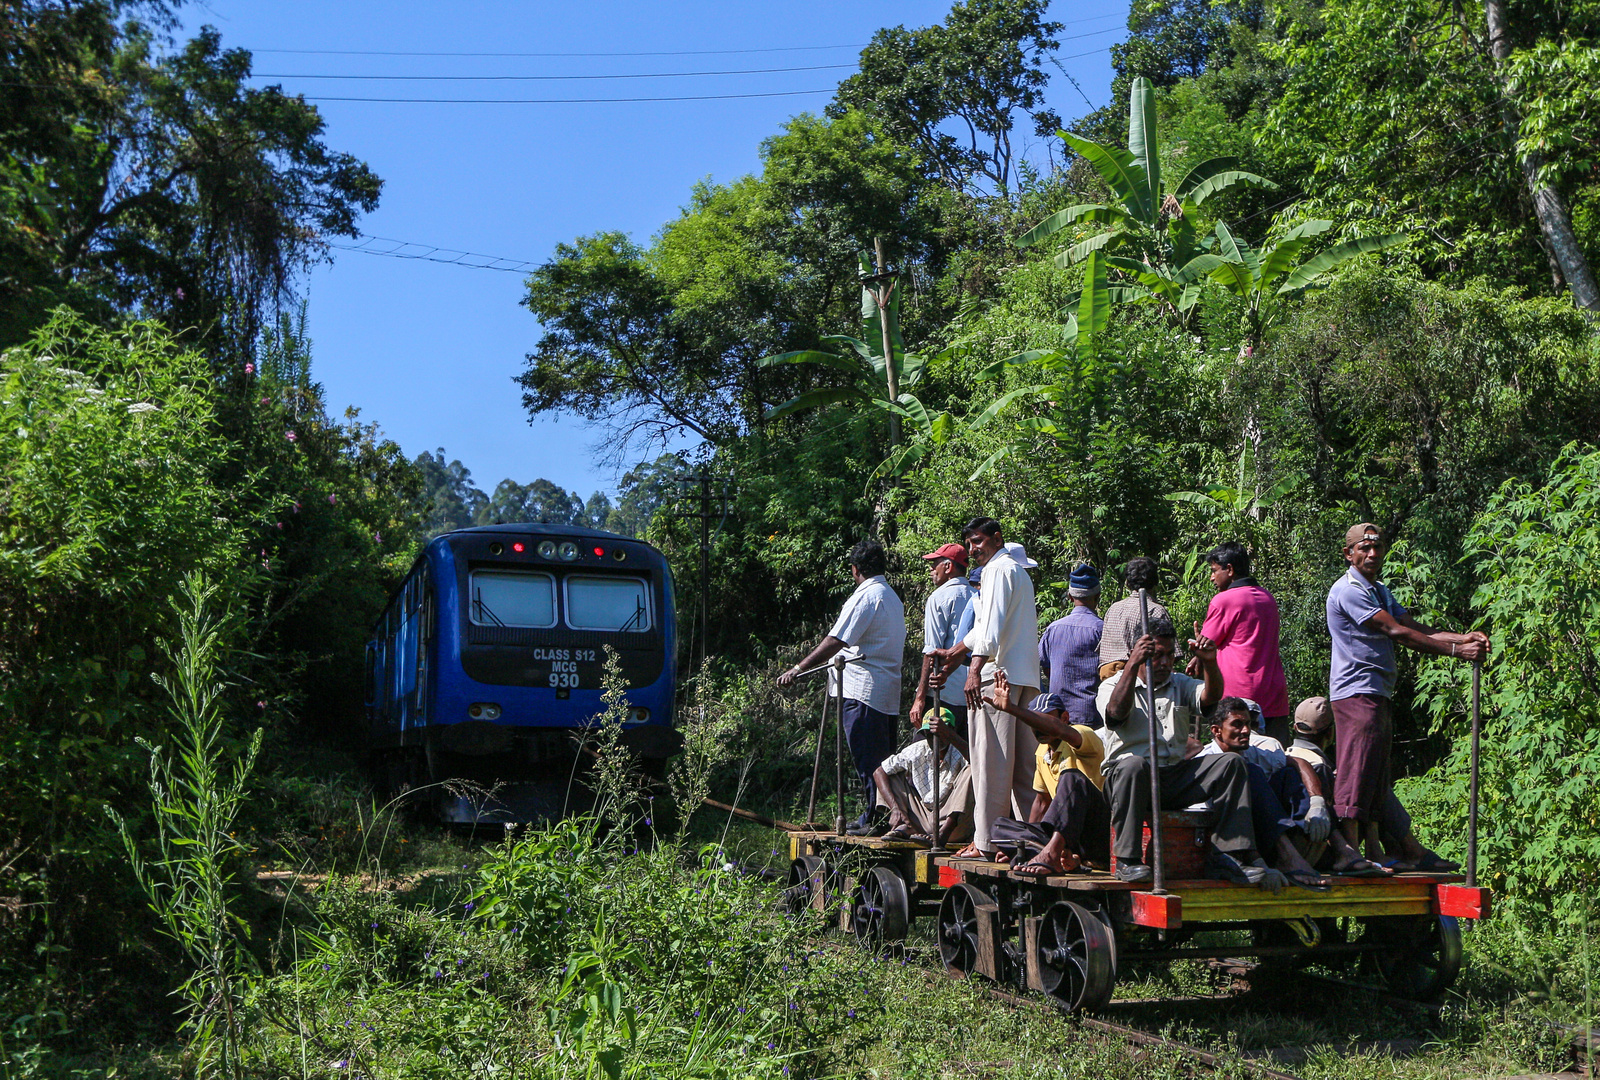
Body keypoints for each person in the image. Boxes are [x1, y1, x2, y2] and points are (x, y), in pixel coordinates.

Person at [1326, 523, 1489, 859]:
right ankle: (1347, 853)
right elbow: (1395, 631)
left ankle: (1373, 850)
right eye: (1364, 548)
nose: (1372, 554)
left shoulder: (1379, 590)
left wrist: (1462, 637)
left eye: (1377, 547)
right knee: (1356, 769)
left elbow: (1413, 626)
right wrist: (1458, 653)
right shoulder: (1349, 591)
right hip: (1356, 691)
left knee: (1375, 771)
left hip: (1378, 690)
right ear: (1348, 553)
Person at [1098, 619, 1279, 889]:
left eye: (1170, 655)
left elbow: (1210, 700)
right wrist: (1133, 665)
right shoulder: (1112, 685)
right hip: (1128, 781)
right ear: (1137, 652)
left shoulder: (1179, 684)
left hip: (1172, 777)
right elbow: (1115, 714)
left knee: (1230, 762)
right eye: (1157, 655)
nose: (1165, 662)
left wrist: (1209, 662)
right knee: (1133, 765)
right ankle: (1127, 859)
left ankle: (1228, 855)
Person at [778, 539, 906, 835]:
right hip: (885, 691)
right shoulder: (891, 597)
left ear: (855, 569)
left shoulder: (867, 596)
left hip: (862, 691)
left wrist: (798, 668)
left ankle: (877, 818)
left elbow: (837, 639)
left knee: (868, 759)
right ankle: (877, 814)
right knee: (883, 759)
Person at [948, 518, 1041, 861]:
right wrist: (956, 652)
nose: (973, 549)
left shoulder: (996, 571)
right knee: (1023, 768)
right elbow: (990, 625)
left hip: (997, 677)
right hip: (1023, 677)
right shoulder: (1017, 572)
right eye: (970, 544)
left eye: (978, 541)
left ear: (996, 539)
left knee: (990, 762)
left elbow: (989, 628)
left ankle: (988, 842)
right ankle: (1029, 840)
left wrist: (973, 669)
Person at [1288, 695, 1459, 873]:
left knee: (1365, 782)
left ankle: (1401, 849)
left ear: (1295, 727)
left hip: (1304, 840)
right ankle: (1409, 849)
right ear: (1331, 733)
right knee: (1369, 783)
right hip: (1325, 848)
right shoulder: (1319, 765)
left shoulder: (1289, 754)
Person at [983, 670, 1109, 876]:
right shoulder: (1041, 752)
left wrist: (1012, 709)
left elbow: (1060, 731)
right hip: (1068, 839)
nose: (1038, 728)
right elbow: (1041, 803)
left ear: (1065, 718)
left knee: (1072, 778)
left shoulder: (1082, 735)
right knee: (999, 826)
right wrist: (1024, 844)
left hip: (1096, 831)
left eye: (1044, 721)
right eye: (1034, 723)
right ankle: (1059, 854)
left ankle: (1053, 853)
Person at [1199, 698, 1334, 888]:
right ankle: (1288, 857)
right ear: (1216, 731)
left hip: (1262, 835)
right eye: (1237, 725)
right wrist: (1256, 861)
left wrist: (1317, 802)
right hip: (1230, 843)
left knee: (1288, 774)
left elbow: (1297, 762)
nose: (1245, 731)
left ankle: (1326, 851)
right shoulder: (1205, 761)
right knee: (1250, 772)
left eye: (1247, 724)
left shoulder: (1251, 752)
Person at [1197, 542, 1291, 745]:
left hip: (1238, 695)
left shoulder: (1224, 600)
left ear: (1229, 569)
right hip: (1273, 693)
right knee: (1275, 758)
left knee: (1237, 759)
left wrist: (1196, 653)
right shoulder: (1267, 597)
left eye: (1214, 571)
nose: (1212, 578)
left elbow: (1206, 645)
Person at [873, 708, 974, 847]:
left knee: (971, 772)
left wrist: (950, 735)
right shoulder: (918, 750)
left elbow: (979, 765)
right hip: (923, 817)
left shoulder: (960, 750)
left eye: (939, 734)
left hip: (952, 824)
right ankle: (905, 825)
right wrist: (895, 809)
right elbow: (879, 771)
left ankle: (942, 834)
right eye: (930, 735)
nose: (934, 739)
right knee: (890, 775)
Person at [909, 542, 972, 740]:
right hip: (969, 696)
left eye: (934, 563)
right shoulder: (977, 595)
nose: (930, 569)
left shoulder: (939, 598)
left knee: (928, 757)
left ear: (948, 566)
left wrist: (920, 699)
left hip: (942, 695)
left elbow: (932, 651)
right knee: (962, 762)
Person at [1038, 563, 1104, 728]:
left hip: (1059, 715)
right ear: (1098, 596)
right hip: (1091, 714)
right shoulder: (1102, 629)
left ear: (1069, 596)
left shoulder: (1053, 628)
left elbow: (1046, 667)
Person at [1098, 557, 1170, 680]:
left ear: (1127, 583)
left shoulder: (1114, 608)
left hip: (1109, 678)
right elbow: (1168, 650)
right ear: (1155, 582)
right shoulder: (1156, 610)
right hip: (1136, 679)